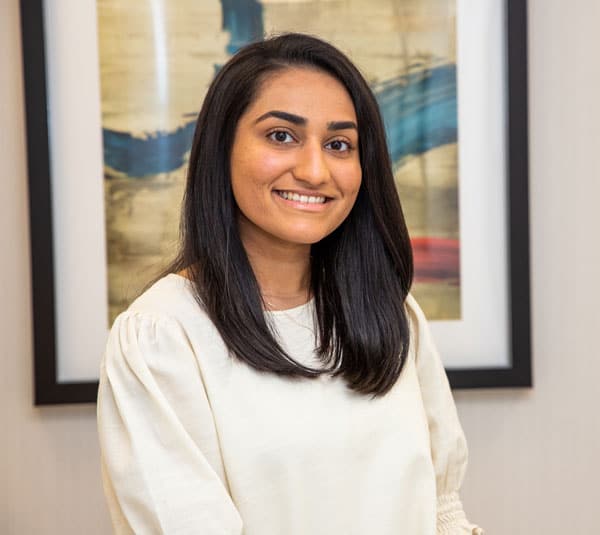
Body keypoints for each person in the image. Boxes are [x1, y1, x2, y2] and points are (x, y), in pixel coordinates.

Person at [97, 33, 481, 535]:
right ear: (222, 148)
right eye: (281, 136)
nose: (315, 170)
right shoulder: (163, 337)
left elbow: (441, 508)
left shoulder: (391, 311)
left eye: (339, 144)